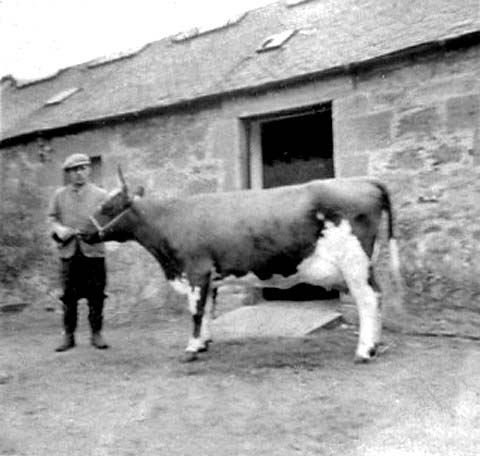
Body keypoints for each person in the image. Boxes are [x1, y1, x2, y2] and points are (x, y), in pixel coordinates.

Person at [48, 153, 109, 352]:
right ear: (68, 173)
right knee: (68, 297)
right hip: (69, 253)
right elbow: (52, 219)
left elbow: (109, 222)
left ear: (89, 170)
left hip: (94, 253)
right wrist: (59, 230)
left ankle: (96, 334)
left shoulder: (101, 195)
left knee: (97, 295)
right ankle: (69, 336)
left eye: (82, 168)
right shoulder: (59, 195)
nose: (79, 173)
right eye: (74, 170)